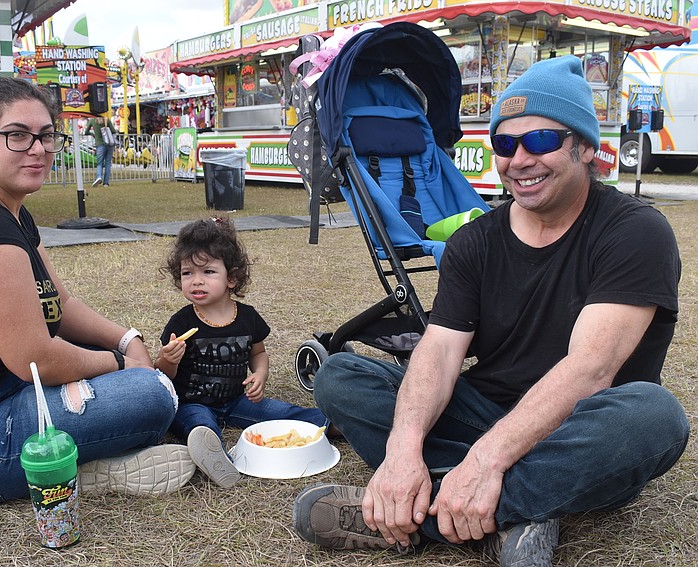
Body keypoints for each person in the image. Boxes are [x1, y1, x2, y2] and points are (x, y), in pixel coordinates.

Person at [292, 56, 689, 566]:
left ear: (586, 147)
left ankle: (424, 515)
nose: (519, 159)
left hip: (578, 430)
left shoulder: (634, 232)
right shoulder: (474, 242)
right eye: (505, 144)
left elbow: (590, 370)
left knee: (655, 417)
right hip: (483, 413)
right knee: (340, 376)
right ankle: (514, 511)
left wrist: (485, 460)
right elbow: (438, 350)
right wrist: (403, 450)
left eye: (541, 141)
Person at [0, 77, 194, 506]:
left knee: (131, 374)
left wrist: (128, 339)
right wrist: (122, 365)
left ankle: (74, 462)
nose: (38, 148)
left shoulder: (9, 211)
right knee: (154, 394)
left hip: (4, 394)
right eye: (18, 135)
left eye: (47, 136)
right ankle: (83, 471)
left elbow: (61, 304)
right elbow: (35, 356)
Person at [155, 218, 331, 488]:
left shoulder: (247, 317)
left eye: (208, 272)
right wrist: (168, 359)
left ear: (232, 278)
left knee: (282, 412)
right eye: (187, 273)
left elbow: (258, 353)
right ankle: (218, 460)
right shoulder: (180, 323)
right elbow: (162, 375)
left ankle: (334, 425)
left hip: (238, 400)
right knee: (200, 425)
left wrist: (260, 375)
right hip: (192, 403)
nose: (196, 281)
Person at [83, 115, 116, 187]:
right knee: (108, 163)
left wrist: (93, 134)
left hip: (99, 144)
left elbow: (86, 132)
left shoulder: (92, 120)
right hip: (109, 144)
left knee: (99, 163)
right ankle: (106, 183)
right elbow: (113, 131)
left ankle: (99, 177)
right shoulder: (106, 119)